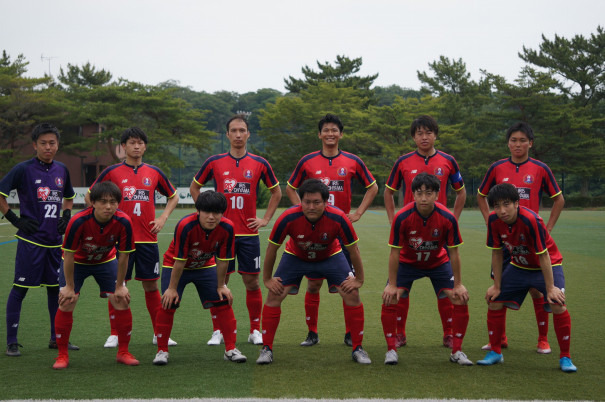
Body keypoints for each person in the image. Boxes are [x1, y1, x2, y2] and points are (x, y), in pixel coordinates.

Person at [286, 113, 378, 347]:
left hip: (340, 233)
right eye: (326, 130)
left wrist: (357, 213)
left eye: (334, 130)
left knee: (346, 285)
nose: (330, 134)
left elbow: (373, 187)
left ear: (341, 134)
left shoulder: (352, 160)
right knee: (313, 283)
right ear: (319, 134)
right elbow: (290, 187)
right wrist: (302, 211)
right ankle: (312, 333)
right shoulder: (307, 161)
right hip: (314, 233)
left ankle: (350, 334)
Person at [256, 179, 371, 365]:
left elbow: (353, 250)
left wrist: (359, 279)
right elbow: (271, 249)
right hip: (295, 256)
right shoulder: (287, 217)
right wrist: (268, 279)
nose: (311, 206)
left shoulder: (339, 217)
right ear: (300, 201)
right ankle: (266, 349)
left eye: (316, 202)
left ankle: (358, 348)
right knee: (274, 295)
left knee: (352, 294)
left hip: (330, 256)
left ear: (326, 202)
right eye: (307, 202)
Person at [190, 114, 281, 346]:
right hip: (222, 235)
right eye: (234, 131)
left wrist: (265, 219)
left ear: (248, 134)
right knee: (220, 282)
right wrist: (205, 212)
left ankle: (254, 330)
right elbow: (195, 186)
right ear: (228, 135)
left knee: (252, 283)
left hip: (249, 235)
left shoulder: (260, 163)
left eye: (242, 130)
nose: (238, 135)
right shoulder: (214, 162)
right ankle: (218, 330)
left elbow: (276, 192)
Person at [86, 127, 179, 348]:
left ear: (145, 146)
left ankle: (158, 332)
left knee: (151, 286)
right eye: (131, 143)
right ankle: (115, 333)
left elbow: (173, 197)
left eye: (140, 143)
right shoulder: (112, 171)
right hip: (119, 240)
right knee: (117, 285)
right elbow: (90, 195)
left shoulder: (154, 172)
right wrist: (104, 221)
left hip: (147, 239)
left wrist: (163, 218)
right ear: (124, 146)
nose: (136, 146)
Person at [477, 122, 565, 353]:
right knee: (500, 285)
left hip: (531, 238)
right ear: (508, 143)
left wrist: (548, 229)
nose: (518, 144)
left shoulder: (540, 168)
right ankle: (500, 339)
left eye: (522, 140)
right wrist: (490, 222)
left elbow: (559, 199)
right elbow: (481, 195)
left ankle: (542, 339)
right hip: (505, 239)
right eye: (513, 140)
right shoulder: (497, 167)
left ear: (530, 143)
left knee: (538, 290)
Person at [383, 115, 466, 349]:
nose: (424, 137)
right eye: (419, 133)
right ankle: (399, 333)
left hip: (438, 235)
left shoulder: (449, 160)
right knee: (400, 290)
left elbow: (461, 192)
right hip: (409, 234)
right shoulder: (403, 162)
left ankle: (449, 333)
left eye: (428, 132)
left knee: (446, 291)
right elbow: (388, 192)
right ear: (413, 137)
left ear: (435, 135)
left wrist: (453, 220)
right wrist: (393, 222)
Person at [477, 183, 576, 373]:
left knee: (557, 303)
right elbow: (497, 253)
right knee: (494, 300)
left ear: (516, 203)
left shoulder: (531, 220)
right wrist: (496, 286)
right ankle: (496, 352)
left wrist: (550, 289)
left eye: (506, 204)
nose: (502, 210)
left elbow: (543, 255)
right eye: (497, 206)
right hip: (519, 266)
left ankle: (565, 357)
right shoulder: (493, 221)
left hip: (547, 265)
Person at [0, 123, 79, 356]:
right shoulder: (23, 169)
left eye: (52, 143)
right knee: (20, 289)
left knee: (56, 290)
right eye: (43, 143)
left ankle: (57, 338)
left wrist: (66, 215)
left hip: (55, 243)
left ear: (57, 145)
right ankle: (12, 341)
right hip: (31, 242)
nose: (48, 147)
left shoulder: (62, 169)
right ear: (34, 145)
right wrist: (15, 220)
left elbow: (69, 197)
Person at [381, 173, 471, 366]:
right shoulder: (402, 217)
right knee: (391, 296)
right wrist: (392, 284)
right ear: (412, 194)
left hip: (437, 263)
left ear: (437, 195)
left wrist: (459, 284)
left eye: (428, 193)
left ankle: (457, 351)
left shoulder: (447, 218)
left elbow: (454, 253)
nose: (423, 198)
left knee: (460, 297)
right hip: (407, 263)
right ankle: (391, 349)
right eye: (419, 193)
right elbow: (394, 253)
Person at [153, 190, 247, 365]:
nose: (211, 217)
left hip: (204, 265)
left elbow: (223, 260)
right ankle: (161, 351)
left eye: (216, 213)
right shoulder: (185, 225)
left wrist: (221, 286)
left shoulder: (228, 227)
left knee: (223, 300)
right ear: (198, 211)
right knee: (168, 303)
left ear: (222, 213)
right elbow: (180, 261)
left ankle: (230, 349)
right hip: (176, 265)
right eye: (206, 212)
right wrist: (172, 289)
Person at [53, 181, 139, 369]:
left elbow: (124, 257)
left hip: (105, 260)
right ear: (92, 202)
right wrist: (69, 286)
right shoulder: (78, 221)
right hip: (77, 262)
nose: (108, 206)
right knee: (67, 301)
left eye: (113, 202)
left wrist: (120, 286)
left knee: (121, 299)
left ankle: (123, 352)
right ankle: (62, 355)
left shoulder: (124, 221)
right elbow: (68, 254)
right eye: (103, 201)